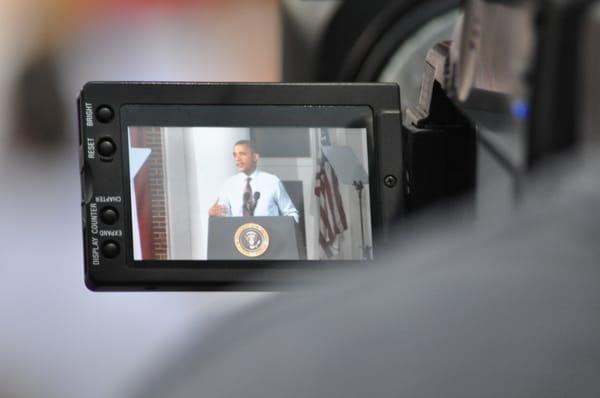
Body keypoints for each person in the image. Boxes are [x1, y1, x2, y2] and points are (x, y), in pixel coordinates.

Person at [209, 140, 299, 222]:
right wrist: (214, 214)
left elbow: (291, 213)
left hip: (270, 236)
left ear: (255, 157)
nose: (237, 158)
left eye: (242, 154)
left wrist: (284, 232)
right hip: (238, 237)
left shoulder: (272, 181)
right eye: (235, 155)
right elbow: (223, 217)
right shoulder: (229, 184)